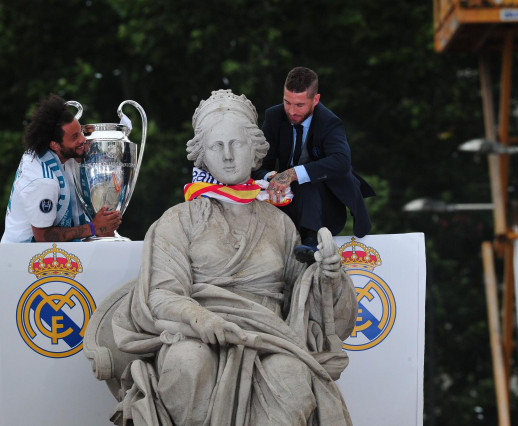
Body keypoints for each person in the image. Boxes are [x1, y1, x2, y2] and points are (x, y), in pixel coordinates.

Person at [107, 90, 357, 425]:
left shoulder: (279, 223)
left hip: (269, 337)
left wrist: (328, 276)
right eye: (216, 146)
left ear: (255, 149)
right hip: (198, 333)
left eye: (236, 144)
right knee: (187, 363)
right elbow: (162, 294)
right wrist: (203, 320)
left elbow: (303, 303)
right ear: (202, 155)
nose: (226, 156)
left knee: (292, 374)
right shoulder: (178, 220)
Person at [252, 67, 375, 263]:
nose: (292, 111)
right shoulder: (274, 117)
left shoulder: (329, 122)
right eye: (287, 102)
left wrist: (292, 173)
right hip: (283, 202)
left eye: (300, 105)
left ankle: (311, 241)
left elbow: (342, 162)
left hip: (325, 210)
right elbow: (258, 166)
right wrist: (272, 177)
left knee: (308, 178)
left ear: (315, 100)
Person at [1, 94, 121, 243]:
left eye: (81, 132)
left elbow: (78, 153)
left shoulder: (44, 151)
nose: (83, 140)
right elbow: (43, 237)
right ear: (55, 145)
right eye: (75, 137)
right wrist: (93, 228)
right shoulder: (43, 182)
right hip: (21, 259)